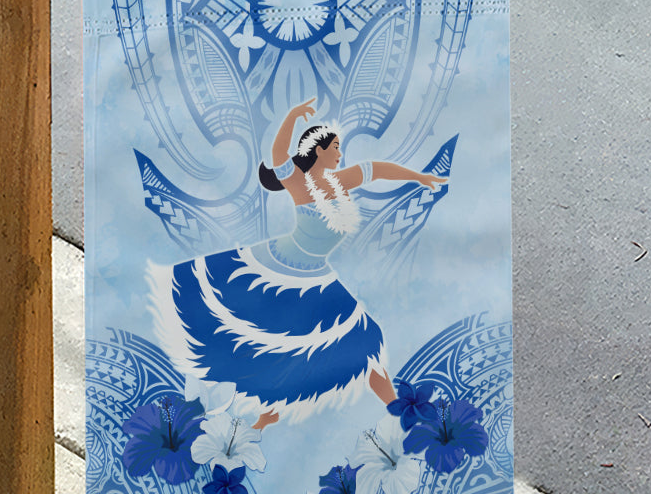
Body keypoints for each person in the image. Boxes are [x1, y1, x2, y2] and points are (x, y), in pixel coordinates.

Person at [149, 98, 447, 430]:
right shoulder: (300, 182)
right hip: (276, 268)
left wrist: (419, 177)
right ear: (317, 150)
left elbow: (376, 169)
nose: (339, 152)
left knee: (365, 336)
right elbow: (278, 156)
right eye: (334, 146)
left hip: (315, 273)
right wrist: (291, 116)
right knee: (250, 338)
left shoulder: (339, 181)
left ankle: (396, 408)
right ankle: (235, 407)